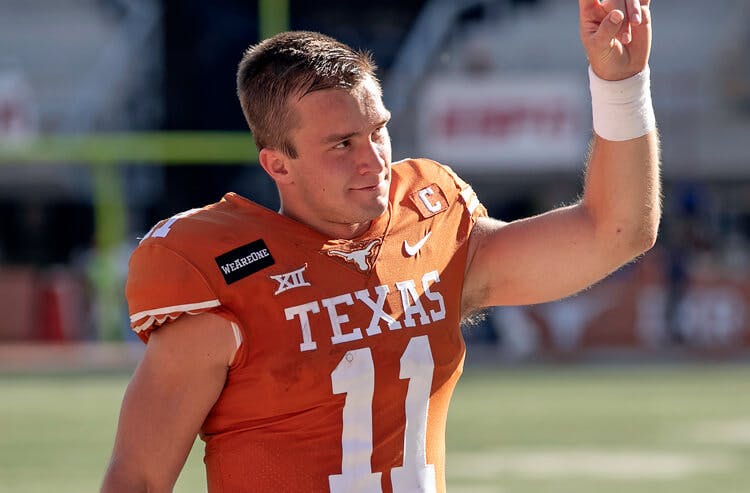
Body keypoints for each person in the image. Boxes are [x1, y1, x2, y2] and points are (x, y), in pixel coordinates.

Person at [100, 1, 660, 492]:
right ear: (278, 164)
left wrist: (620, 85)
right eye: (341, 144)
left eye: (378, 130)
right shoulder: (224, 278)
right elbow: (139, 480)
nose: (373, 160)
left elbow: (616, 230)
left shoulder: (430, 233)